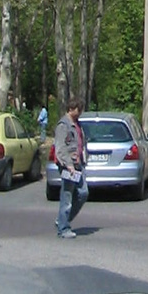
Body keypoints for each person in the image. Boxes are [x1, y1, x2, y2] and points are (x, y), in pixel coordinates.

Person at [53, 97, 88, 238]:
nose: (79, 113)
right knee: (67, 197)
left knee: (83, 193)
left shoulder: (77, 124)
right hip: (69, 167)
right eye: (78, 110)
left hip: (78, 165)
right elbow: (60, 148)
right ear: (70, 109)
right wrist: (68, 165)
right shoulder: (63, 125)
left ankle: (62, 220)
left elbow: (81, 143)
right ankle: (63, 228)